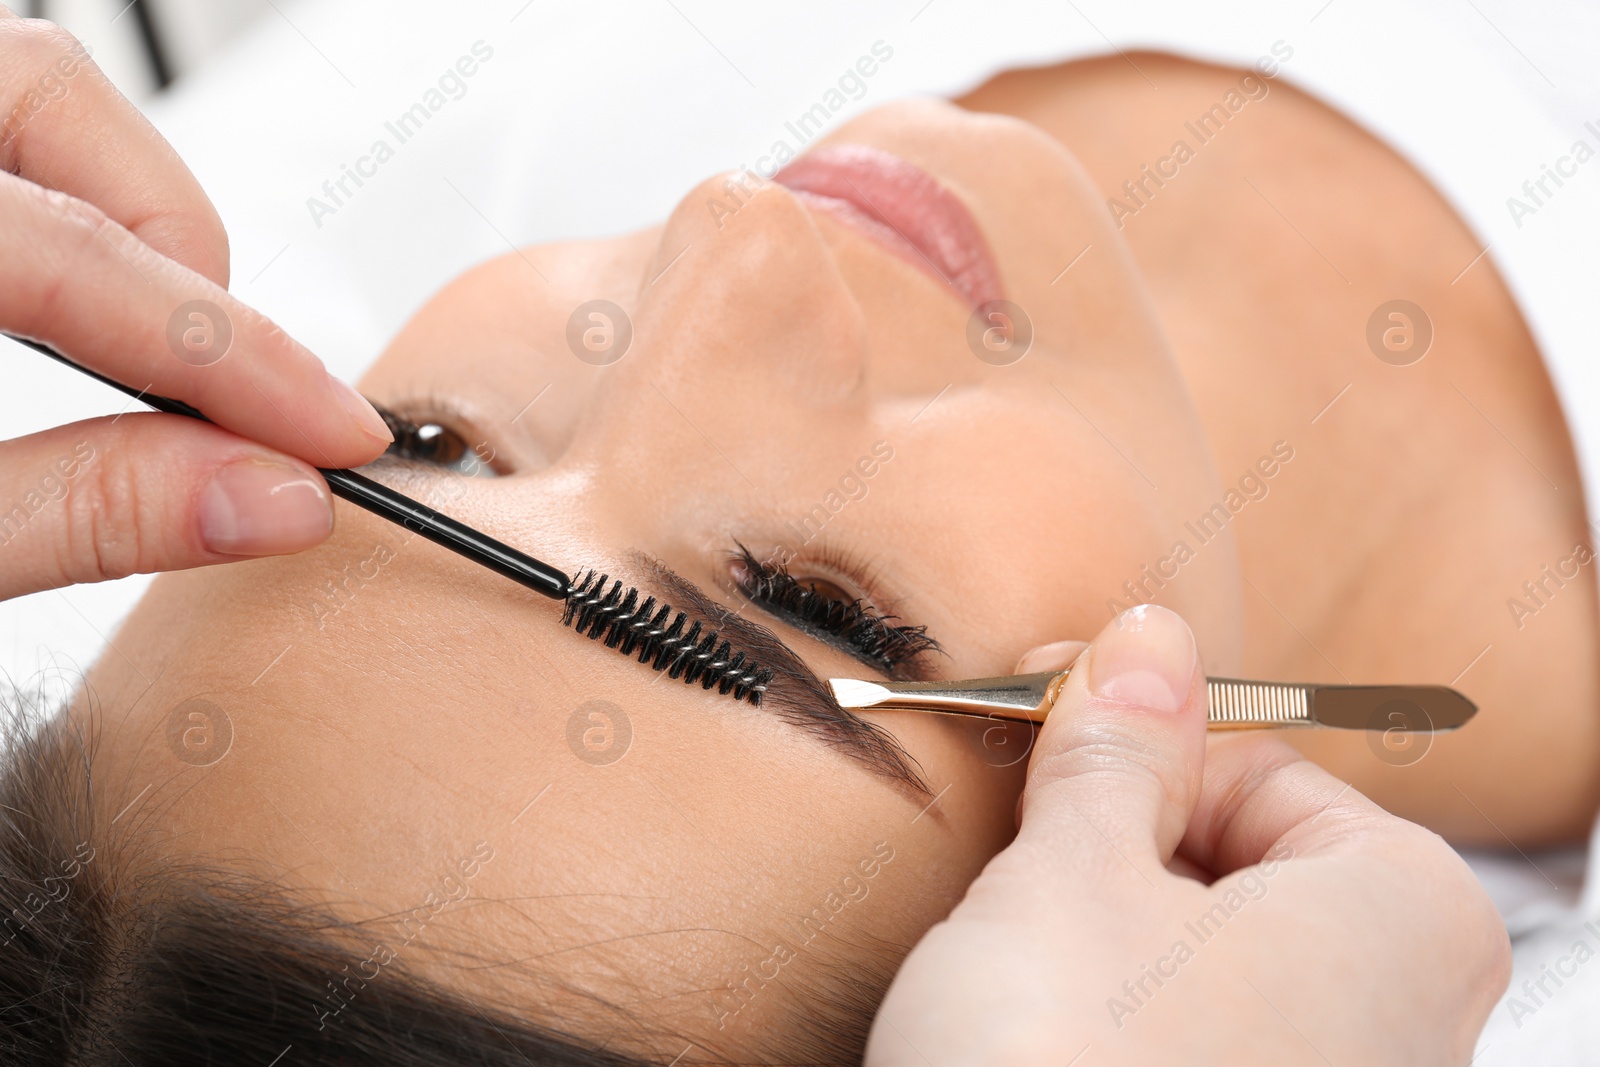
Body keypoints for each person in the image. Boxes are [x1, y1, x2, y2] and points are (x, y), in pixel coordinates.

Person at [0, 11, 1527, 1064]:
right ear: (1183, 891)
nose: (736, 231)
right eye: (820, 604)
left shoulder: (278, 204)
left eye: (436, 443)